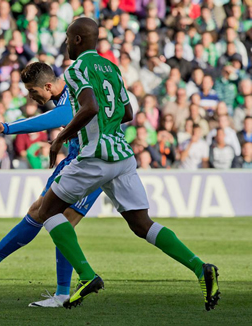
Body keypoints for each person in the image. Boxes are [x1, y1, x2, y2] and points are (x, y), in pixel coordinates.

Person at [36, 18, 219, 310]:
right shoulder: (111, 67)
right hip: (121, 155)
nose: (66, 42)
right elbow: (128, 112)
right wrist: (104, 126)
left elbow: (91, 106)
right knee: (141, 224)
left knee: (46, 211)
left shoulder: (77, 70)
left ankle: (86, 276)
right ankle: (201, 268)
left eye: (69, 37)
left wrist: (62, 138)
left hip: (94, 156)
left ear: (79, 40)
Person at [0, 62, 102, 308]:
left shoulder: (72, 94)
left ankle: (64, 289)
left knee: (63, 221)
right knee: (41, 213)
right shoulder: (65, 93)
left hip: (92, 165)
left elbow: (56, 118)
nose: (32, 97)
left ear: (47, 85)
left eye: (34, 92)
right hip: (75, 162)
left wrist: (9, 127)